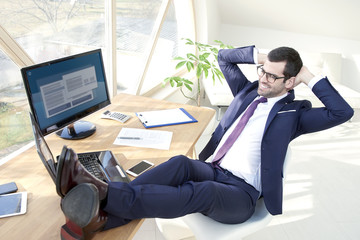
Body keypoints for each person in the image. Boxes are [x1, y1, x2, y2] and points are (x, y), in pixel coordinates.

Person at [57, 45, 354, 240]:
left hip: (242, 195)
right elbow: (224, 57)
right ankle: (103, 219)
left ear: (289, 82)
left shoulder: (295, 114)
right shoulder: (249, 90)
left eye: (273, 77)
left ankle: (104, 194)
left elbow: (343, 112)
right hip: (214, 168)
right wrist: (264, 59)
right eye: (262, 71)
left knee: (200, 192)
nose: (263, 79)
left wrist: (307, 75)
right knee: (180, 164)